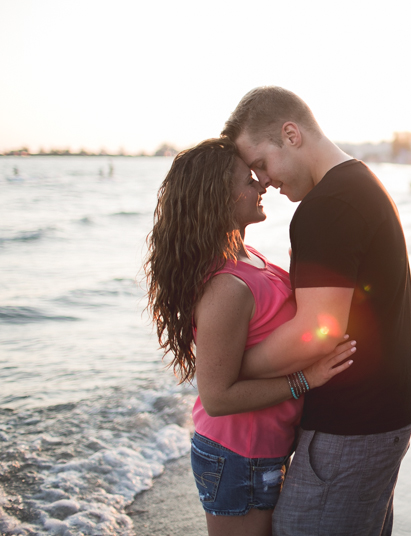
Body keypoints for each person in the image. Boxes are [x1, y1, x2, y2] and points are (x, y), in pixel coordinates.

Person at [221, 86, 411, 536]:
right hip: (379, 417)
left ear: (290, 134)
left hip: (351, 426)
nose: (264, 181)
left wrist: (233, 369)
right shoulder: (360, 182)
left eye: (261, 165)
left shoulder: (326, 208)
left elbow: (318, 330)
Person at [144, 137, 356, 536]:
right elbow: (218, 397)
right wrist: (305, 380)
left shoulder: (250, 256)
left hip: (263, 448)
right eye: (249, 179)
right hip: (236, 455)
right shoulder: (226, 286)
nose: (262, 184)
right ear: (221, 199)